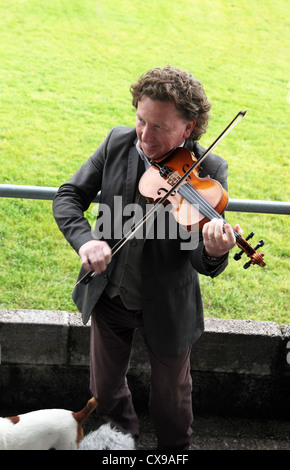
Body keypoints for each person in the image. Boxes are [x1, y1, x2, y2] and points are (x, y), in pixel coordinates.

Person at [53, 66, 241, 450]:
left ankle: (175, 452)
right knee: (104, 389)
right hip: (110, 296)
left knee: (171, 399)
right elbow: (68, 196)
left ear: (188, 129)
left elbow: (199, 254)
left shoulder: (209, 171)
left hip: (167, 304)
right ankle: (120, 444)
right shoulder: (117, 143)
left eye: (160, 127)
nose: (145, 134)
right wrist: (86, 241)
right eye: (141, 120)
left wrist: (213, 249)